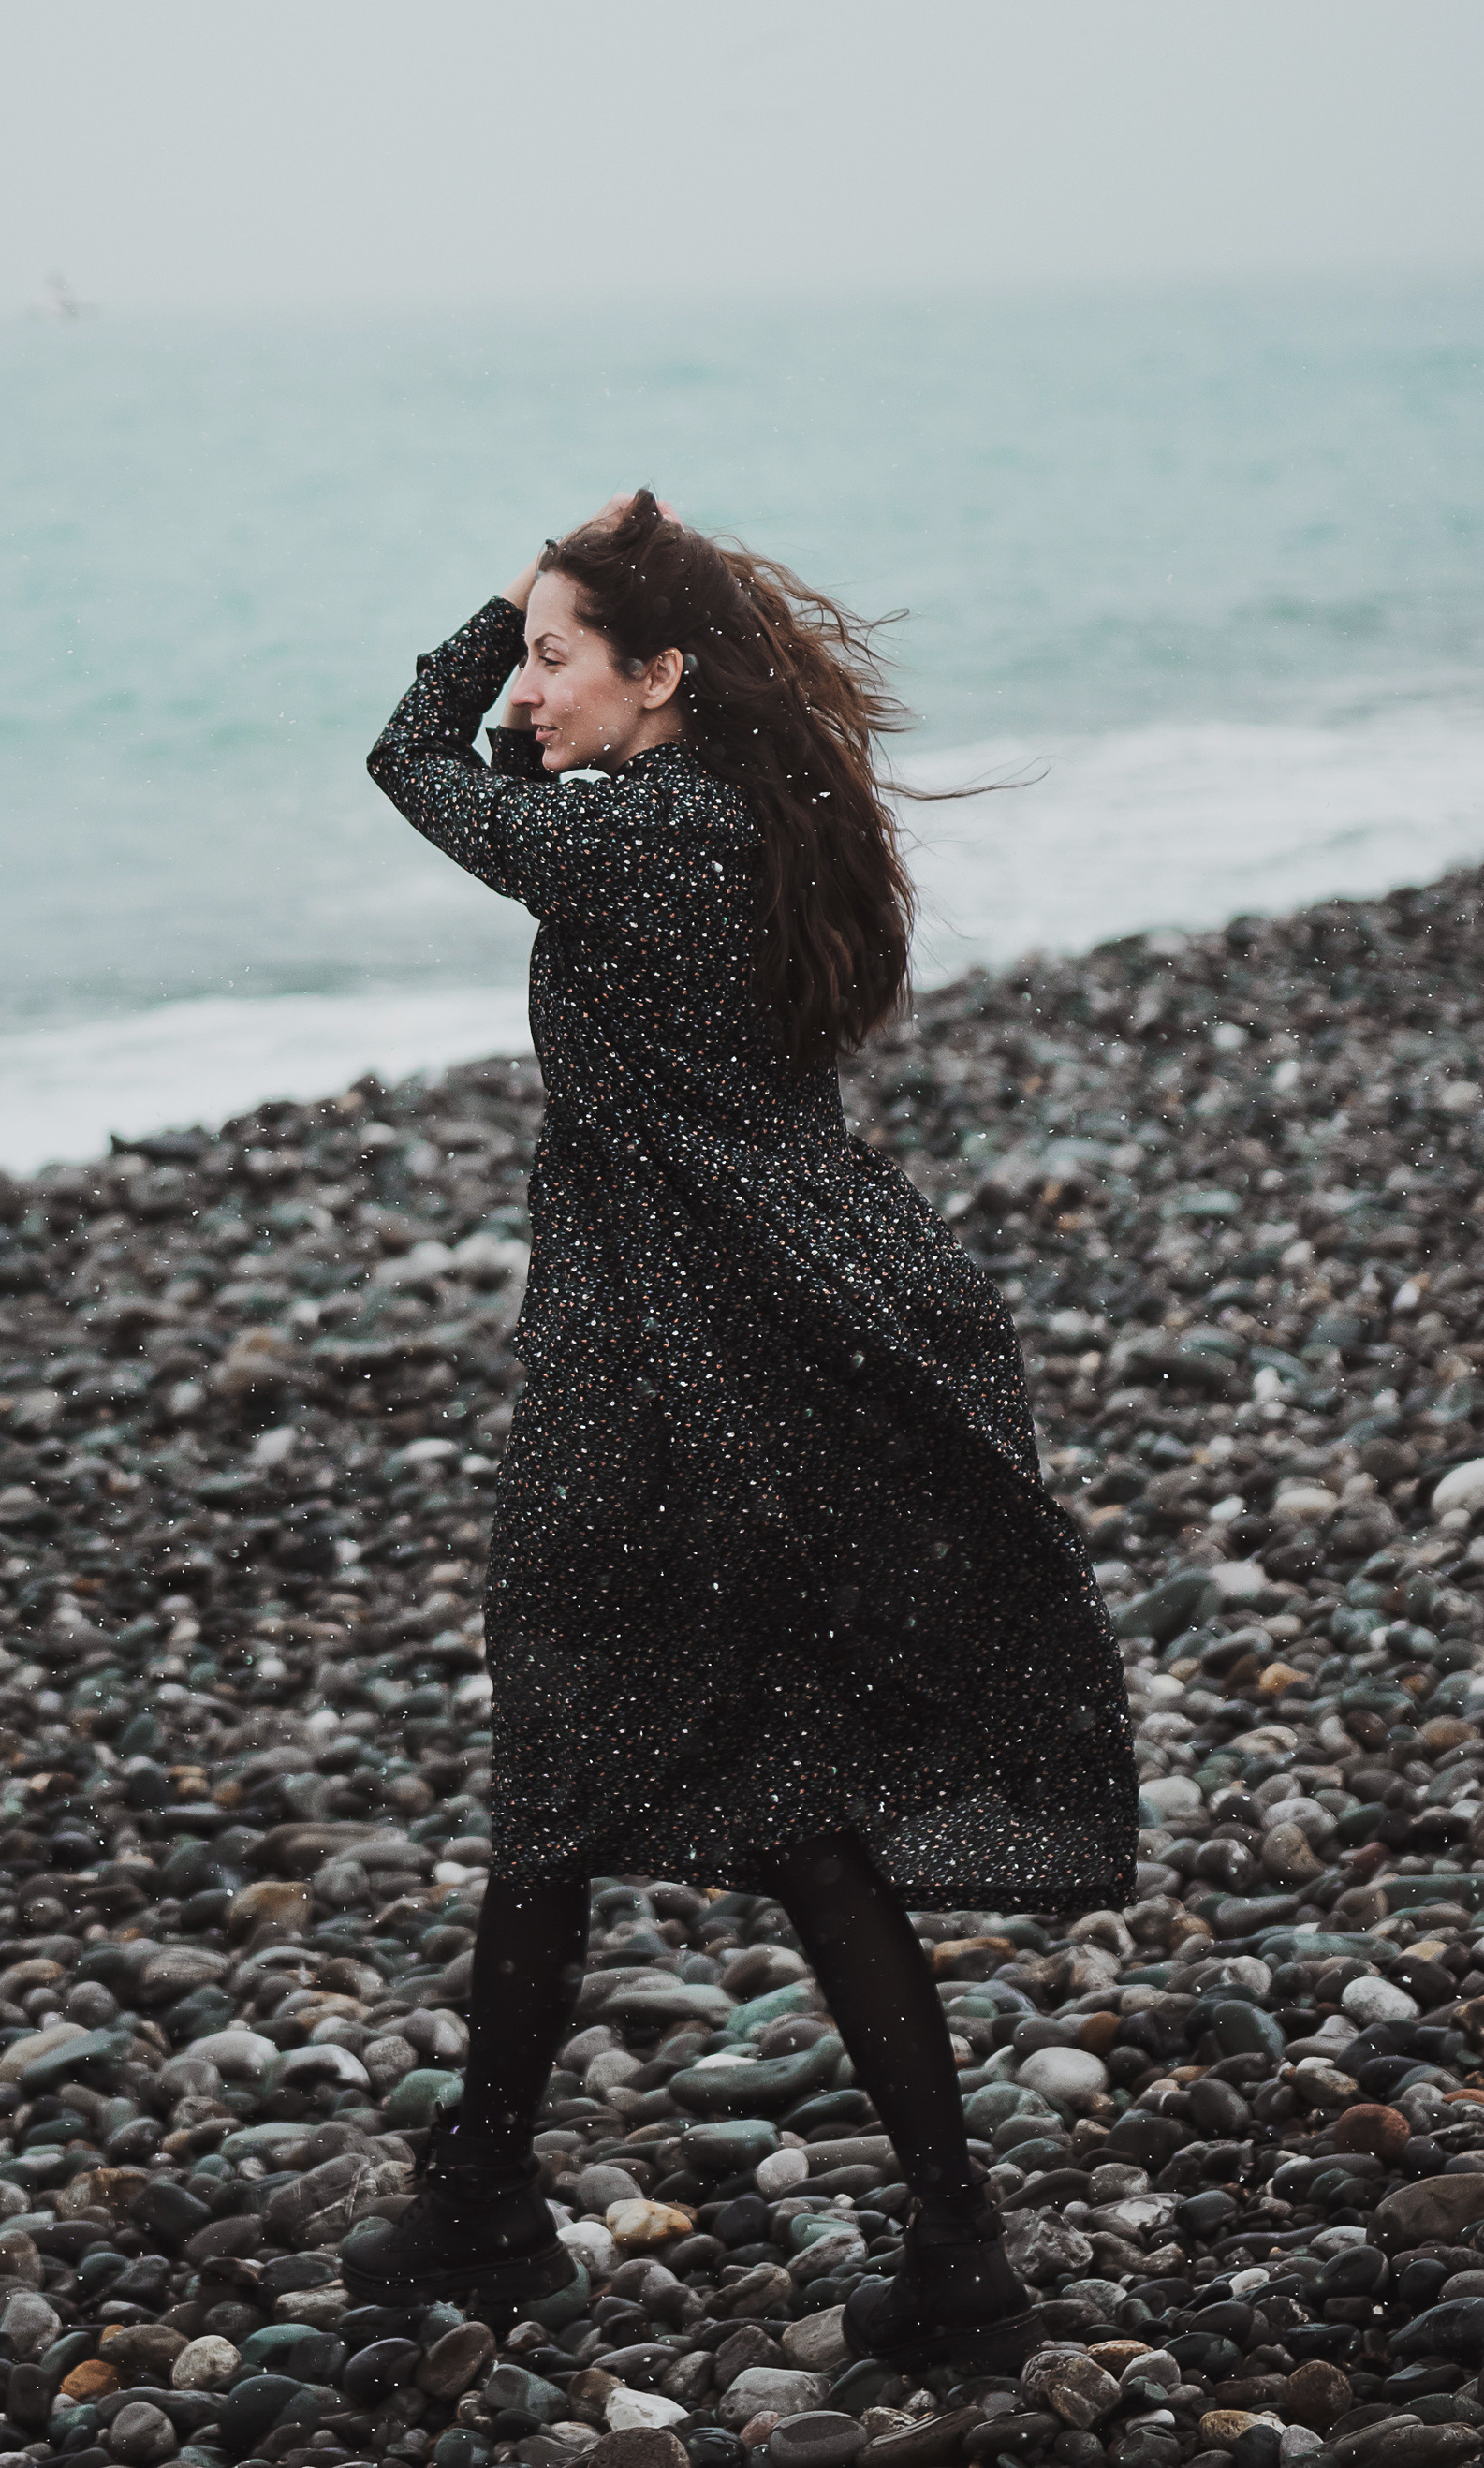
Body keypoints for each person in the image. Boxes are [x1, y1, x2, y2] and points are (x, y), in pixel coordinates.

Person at [344, 492, 1134, 2362]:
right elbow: (481, 767)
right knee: (782, 1806)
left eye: (558, 657)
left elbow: (398, 755)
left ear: (663, 673)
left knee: (561, 1761)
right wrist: (556, 622)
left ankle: (486, 2204)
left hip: (656, 1367)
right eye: (523, 655)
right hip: (780, 1339)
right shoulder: (752, 828)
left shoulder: (625, 839)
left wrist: (484, 605)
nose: (523, 692)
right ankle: (950, 2247)